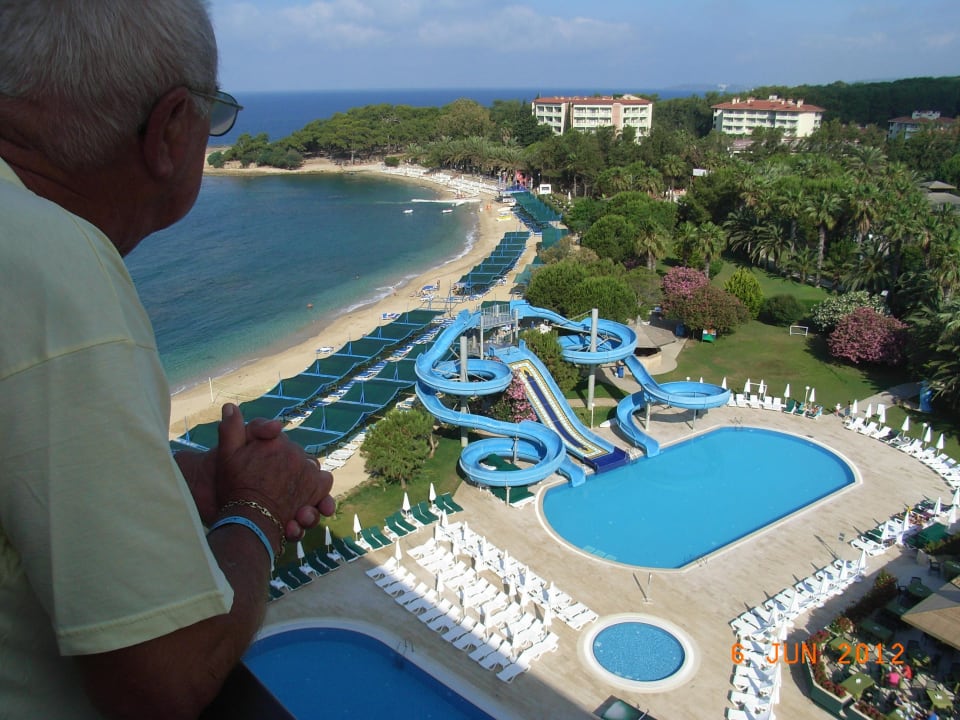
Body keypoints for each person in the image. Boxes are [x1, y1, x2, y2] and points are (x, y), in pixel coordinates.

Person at [0, 2, 334, 718]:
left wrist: (186, 480)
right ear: (170, 129)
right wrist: (256, 513)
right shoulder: (53, 271)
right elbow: (163, 681)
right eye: (212, 120)